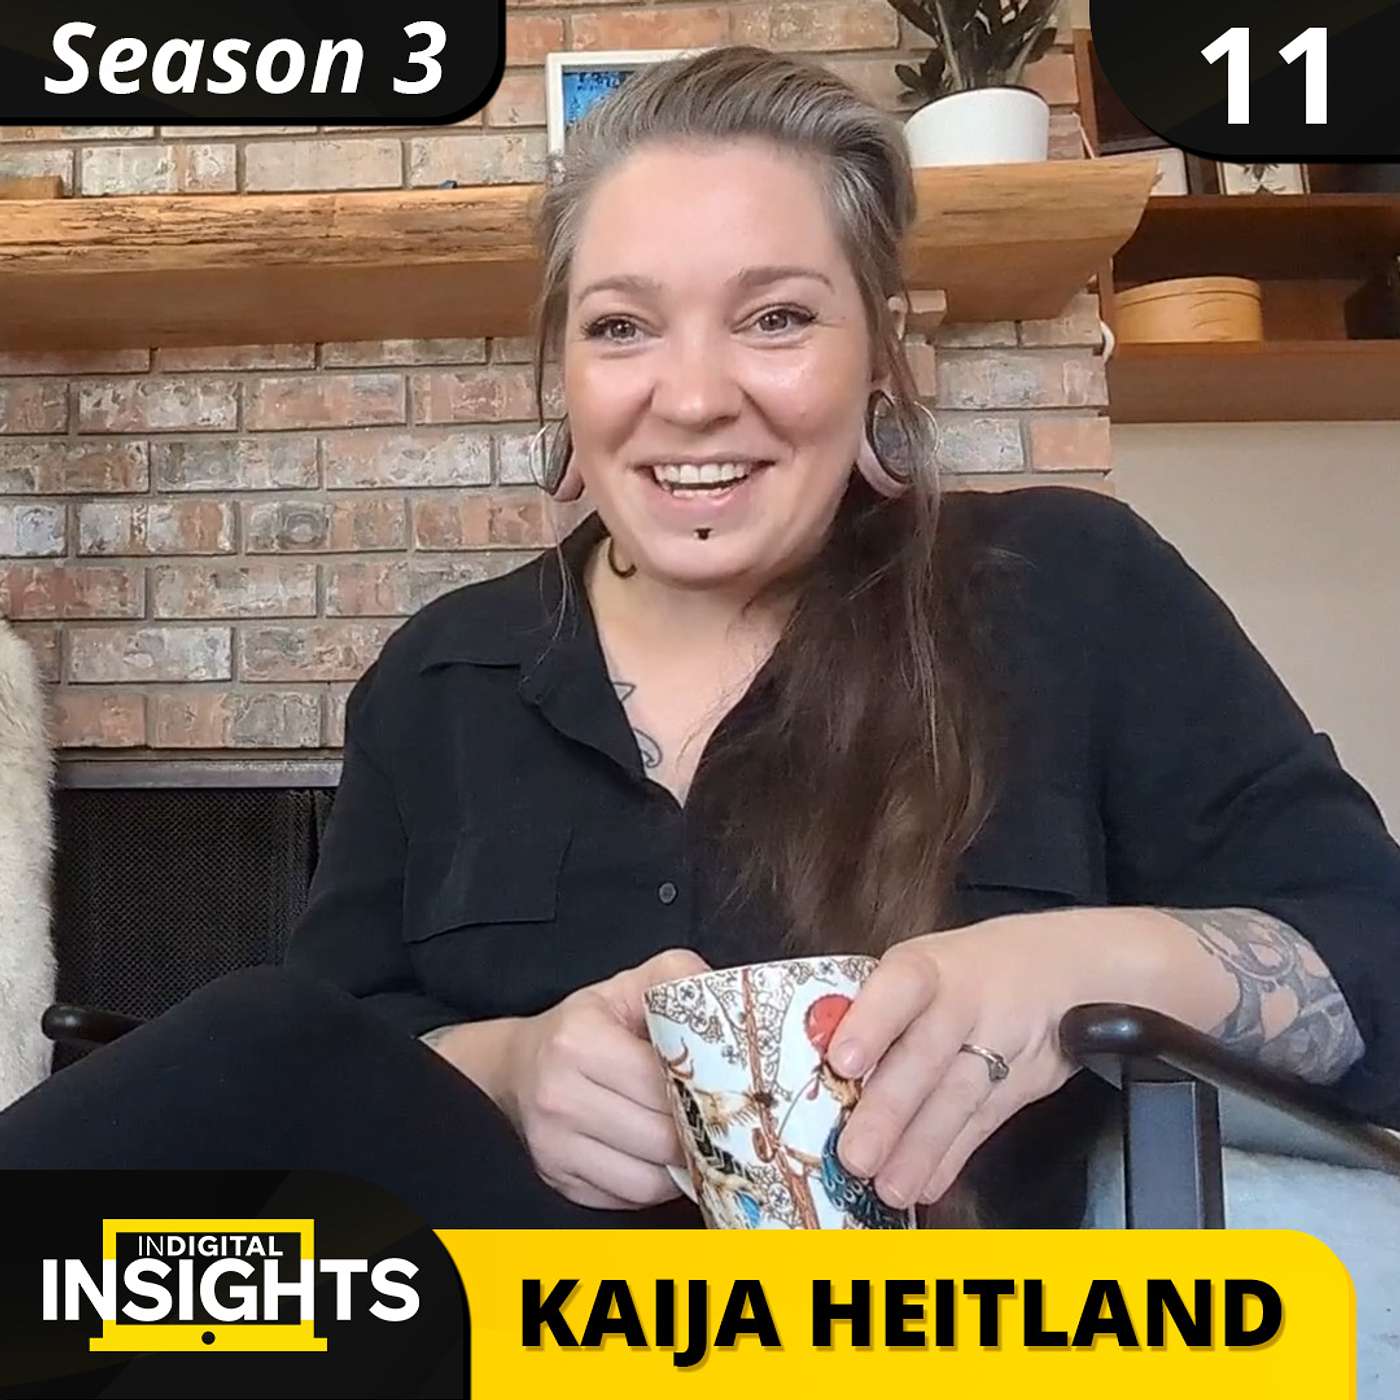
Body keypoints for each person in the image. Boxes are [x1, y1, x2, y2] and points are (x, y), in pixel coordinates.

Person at [3, 45, 1398, 1230]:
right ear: (564, 369)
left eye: (776, 318)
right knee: (257, 1051)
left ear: (880, 350)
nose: (691, 397)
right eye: (623, 328)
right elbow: (340, 1051)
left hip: (937, 1341)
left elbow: (1371, 955)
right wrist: (516, 1066)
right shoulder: (440, 678)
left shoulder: (1065, 589)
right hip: (499, 1335)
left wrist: (1089, 974)